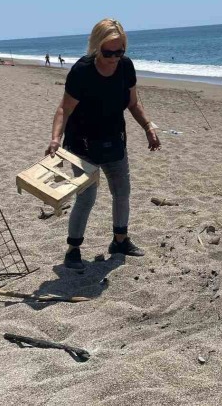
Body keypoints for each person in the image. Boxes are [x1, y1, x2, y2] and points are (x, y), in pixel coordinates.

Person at [46, 18, 161, 270]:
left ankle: (120, 241)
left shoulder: (125, 67)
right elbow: (64, 109)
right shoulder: (81, 71)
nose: (114, 57)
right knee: (86, 198)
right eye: (109, 52)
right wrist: (55, 139)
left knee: (122, 193)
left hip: (114, 142)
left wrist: (148, 127)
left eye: (120, 51)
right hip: (82, 146)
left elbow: (133, 103)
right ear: (96, 47)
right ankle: (73, 250)